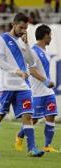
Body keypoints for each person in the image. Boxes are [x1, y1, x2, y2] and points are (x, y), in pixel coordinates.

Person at [0, 13, 44, 157]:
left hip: (23, 86)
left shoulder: (23, 41)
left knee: (28, 115)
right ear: (14, 24)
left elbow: (32, 63)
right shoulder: (2, 39)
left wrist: (26, 44)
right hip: (6, 85)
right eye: (21, 27)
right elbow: (0, 61)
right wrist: (16, 70)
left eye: (25, 28)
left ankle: (32, 148)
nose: (23, 30)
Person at [15, 25, 58, 153]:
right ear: (45, 35)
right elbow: (32, 71)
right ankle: (19, 135)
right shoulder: (33, 51)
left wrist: (48, 83)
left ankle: (47, 145)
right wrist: (45, 81)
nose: (51, 37)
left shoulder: (45, 51)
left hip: (48, 92)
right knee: (34, 119)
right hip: (37, 92)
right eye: (50, 35)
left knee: (51, 116)